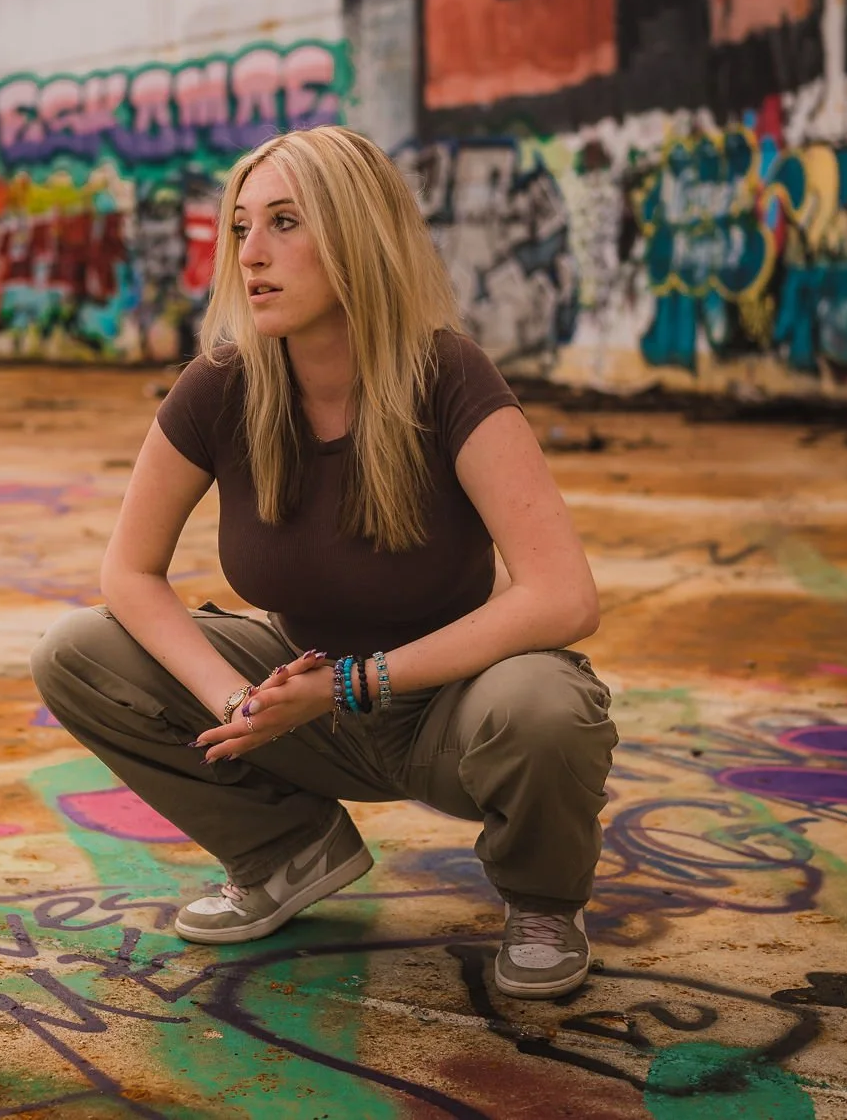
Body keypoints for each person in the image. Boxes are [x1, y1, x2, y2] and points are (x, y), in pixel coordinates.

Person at [30, 126, 616, 999]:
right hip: (303, 702)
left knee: (547, 704)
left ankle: (542, 901)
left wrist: (353, 683)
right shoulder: (220, 386)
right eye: (241, 227)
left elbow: (564, 596)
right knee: (77, 651)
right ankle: (286, 851)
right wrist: (238, 703)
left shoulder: (448, 375)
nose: (251, 254)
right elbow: (130, 572)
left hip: (452, 709)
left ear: (356, 235)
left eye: (285, 222)